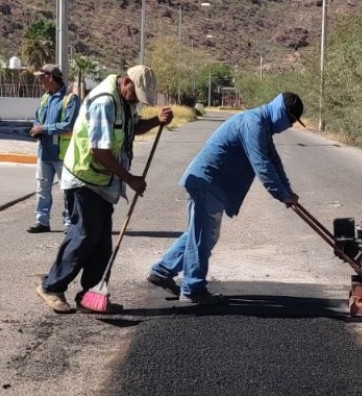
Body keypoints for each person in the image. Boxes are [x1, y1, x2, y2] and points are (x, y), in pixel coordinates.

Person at [35, 65, 174, 314]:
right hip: (84, 177)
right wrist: (130, 179)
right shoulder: (104, 102)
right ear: (126, 82)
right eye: (135, 94)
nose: (136, 100)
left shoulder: (126, 102)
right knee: (85, 234)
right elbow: (99, 150)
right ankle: (51, 286)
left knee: (101, 242)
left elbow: (133, 128)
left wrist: (156, 121)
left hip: (103, 182)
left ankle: (90, 294)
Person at [147, 92, 304, 304]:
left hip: (213, 184)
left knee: (200, 234)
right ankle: (193, 289)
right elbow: (262, 165)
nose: (291, 125)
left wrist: (288, 191)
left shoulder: (263, 126)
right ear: (281, 112)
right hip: (207, 181)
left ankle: (162, 271)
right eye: (291, 120)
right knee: (203, 236)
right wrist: (282, 195)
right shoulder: (254, 123)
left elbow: (274, 162)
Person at [27, 64, 79, 233]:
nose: (40, 81)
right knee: (42, 187)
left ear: (50, 77)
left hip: (63, 153)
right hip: (44, 151)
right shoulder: (45, 98)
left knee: (68, 190)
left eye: (41, 77)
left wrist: (44, 128)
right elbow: (37, 118)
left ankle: (70, 223)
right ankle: (42, 221)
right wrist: (36, 128)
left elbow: (69, 124)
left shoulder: (70, 99)